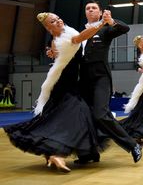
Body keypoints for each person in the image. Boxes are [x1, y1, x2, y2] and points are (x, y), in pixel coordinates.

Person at [4, 12, 107, 173]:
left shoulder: (60, 37)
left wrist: (54, 54)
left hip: (68, 83)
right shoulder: (65, 38)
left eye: (58, 18)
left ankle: (55, 153)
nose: (58, 21)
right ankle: (57, 153)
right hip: (64, 85)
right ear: (48, 28)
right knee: (73, 116)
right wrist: (100, 24)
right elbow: (81, 37)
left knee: (58, 118)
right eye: (53, 21)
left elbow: (61, 56)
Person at [78, 0, 142, 163]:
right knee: (84, 116)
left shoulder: (106, 29)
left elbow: (124, 28)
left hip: (101, 77)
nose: (90, 10)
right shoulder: (81, 33)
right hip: (84, 79)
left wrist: (111, 21)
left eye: (94, 8)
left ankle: (132, 144)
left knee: (100, 114)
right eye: (87, 8)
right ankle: (89, 153)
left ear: (100, 13)